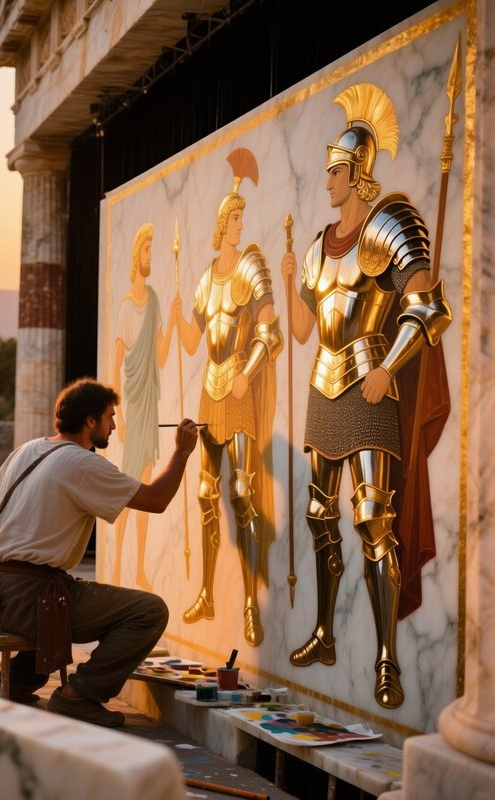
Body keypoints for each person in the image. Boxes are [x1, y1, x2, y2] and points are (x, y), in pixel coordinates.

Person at [280, 83, 452, 709]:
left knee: (374, 521)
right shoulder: (316, 247)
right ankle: (325, 633)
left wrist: (392, 367)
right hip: (324, 386)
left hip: (371, 379)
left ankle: (385, 658)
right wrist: (284, 278)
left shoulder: (388, 227)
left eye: (334, 170)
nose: (326, 181)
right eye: (326, 170)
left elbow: (429, 309)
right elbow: (305, 331)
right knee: (320, 516)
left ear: (356, 173)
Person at [0, 377, 199, 727]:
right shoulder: (82, 463)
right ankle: (79, 695)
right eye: (110, 416)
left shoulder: (25, 451)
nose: (114, 424)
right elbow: (157, 500)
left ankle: (9, 684)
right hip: (33, 600)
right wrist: (182, 451)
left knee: (64, 590)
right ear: (90, 421)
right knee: (148, 611)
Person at [172, 147, 282, 646]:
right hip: (209, 392)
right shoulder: (202, 281)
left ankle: (250, 603)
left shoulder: (251, 270)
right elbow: (196, 343)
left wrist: (251, 372)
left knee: (242, 494)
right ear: (221, 225)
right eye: (234, 218)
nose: (240, 225)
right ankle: (209, 593)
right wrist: (176, 319)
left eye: (241, 218)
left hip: (238, 386)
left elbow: (269, 333)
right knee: (204, 495)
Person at [112, 223, 175, 589]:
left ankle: (137, 567)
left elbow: (162, 355)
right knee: (128, 487)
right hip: (133, 406)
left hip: (150, 401)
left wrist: (177, 320)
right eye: (148, 249)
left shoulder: (153, 300)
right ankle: (119, 562)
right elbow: (117, 362)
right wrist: (115, 411)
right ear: (138, 254)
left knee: (146, 486)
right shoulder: (126, 307)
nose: (152, 256)